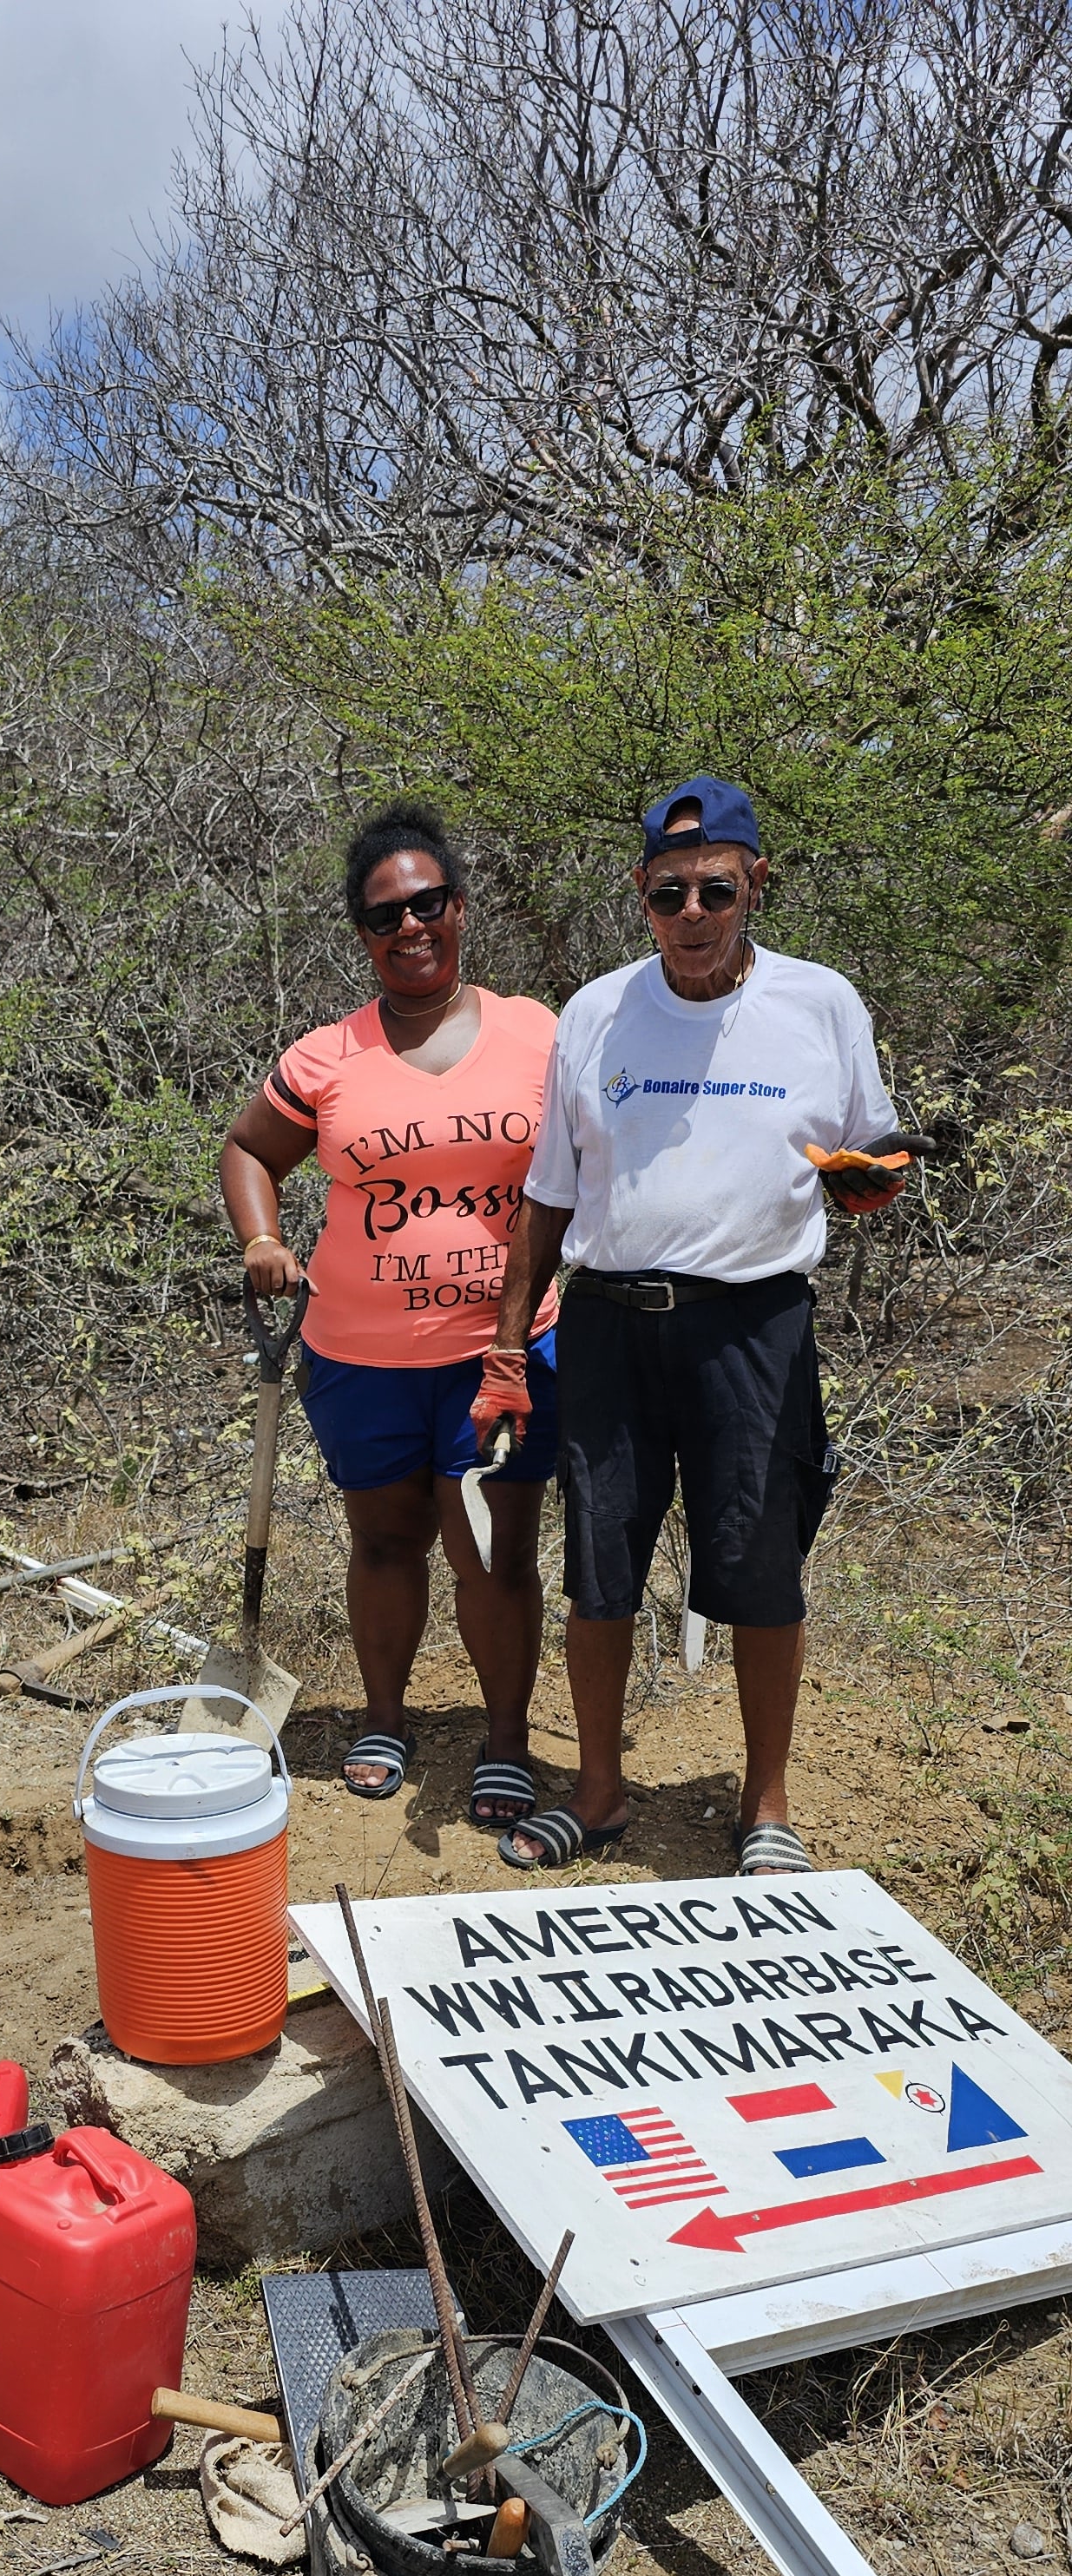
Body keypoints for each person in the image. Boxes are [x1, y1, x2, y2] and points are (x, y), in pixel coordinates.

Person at [481, 774, 924, 1878]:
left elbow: (873, 1153)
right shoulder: (594, 1012)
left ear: (754, 885)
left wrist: (872, 1180)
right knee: (597, 1566)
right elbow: (546, 1194)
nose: (690, 914)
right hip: (608, 1324)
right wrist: (504, 1346)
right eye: (667, 893)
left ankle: (763, 1804)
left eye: (714, 891)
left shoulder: (820, 1003)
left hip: (752, 1327)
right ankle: (596, 1791)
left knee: (759, 1565)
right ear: (639, 892)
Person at [219, 800, 560, 1819]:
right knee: (382, 1541)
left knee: (491, 1551)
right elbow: (249, 1150)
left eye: (426, 903)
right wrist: (261, 1240)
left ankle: (506, 1741)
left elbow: (591, 1164)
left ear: (459, 906)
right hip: (355, 1359)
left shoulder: (538, 1033)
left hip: (501, 1353)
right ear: (362, 934)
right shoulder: (327, 1057)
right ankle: (382, 1718)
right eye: (384, 916)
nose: (409, 926)